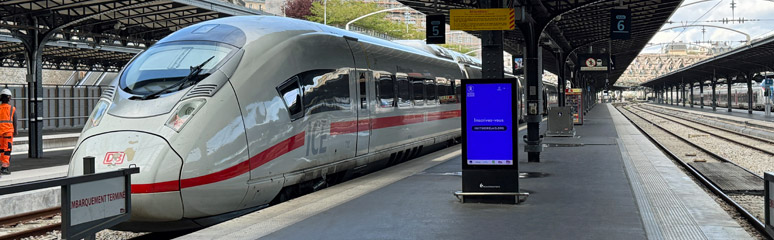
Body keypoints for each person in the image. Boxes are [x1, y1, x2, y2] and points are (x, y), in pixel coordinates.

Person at [0, 89, 16, 175]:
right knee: (7, 150)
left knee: (1, 149)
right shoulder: (12, 109)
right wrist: (16, 132)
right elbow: (15, 121)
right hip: (8, 132)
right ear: (9, 98)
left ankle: (2, 165)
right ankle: (4, 167)